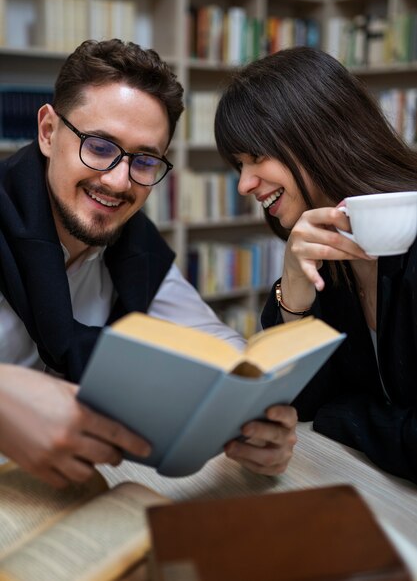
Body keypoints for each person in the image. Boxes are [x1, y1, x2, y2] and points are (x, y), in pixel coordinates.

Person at [0, 39, 297, 487]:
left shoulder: (133, 242)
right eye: (99, 146)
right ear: (47, 131)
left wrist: (256, 413)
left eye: (144, 160)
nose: (118, 181)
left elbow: (211, 339)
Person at [214, 45, 417, 485]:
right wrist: (293, 296)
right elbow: (294, 405)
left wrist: (343, 413)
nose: (245, 184)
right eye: (238, 166)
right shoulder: (323, 251)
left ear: (315, 134)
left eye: (254, 157)